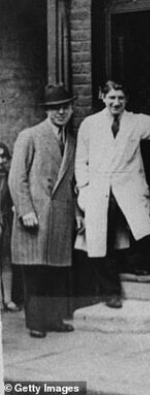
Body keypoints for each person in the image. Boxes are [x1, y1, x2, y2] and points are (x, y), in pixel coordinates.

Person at [75, 80, 150, 309]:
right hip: (99, 189)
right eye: (111, 98)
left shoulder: (134, 122)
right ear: (102, 97)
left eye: (120, 98)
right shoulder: (90, 125)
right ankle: (111, 291)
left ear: (126, 100)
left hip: (128, 187)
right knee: (100, 240)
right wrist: (85, 189)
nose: (116, 102)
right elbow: (80, 160)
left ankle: (140, 265)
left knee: (141, 230)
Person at [8, 84, 78, 337]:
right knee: (35, 270)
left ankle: (54, 319)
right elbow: (17, 177)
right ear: (47, 110)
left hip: (60, 215)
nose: (61, 112)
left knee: (55, 270)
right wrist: (25, 209)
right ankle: (36, 323)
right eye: (55, 108)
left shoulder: (71, 140)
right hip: (35, 215)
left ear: (71, 109)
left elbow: (70, 182)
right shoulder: (30, 136)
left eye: (66, 107)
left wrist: (77, 214)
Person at [0, 141, 22, 312]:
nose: (0, 161)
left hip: (6, 220)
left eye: (3, 156)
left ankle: (8, 299)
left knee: (6, 259)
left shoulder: (10, 177)